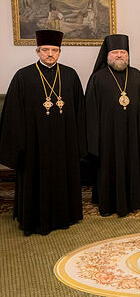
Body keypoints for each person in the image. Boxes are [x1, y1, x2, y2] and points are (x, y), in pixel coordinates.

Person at [0, 30, 85, 235]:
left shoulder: (70, 75)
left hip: (64, 142)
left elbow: (80, 112)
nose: (50, 54)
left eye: (54, 50)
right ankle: (34, 218)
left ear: (60, 52)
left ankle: (65, 216)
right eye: (45, 50)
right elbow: (13, 113)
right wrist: (19, 145)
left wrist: (79, 143)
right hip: (34, 143)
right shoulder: (23, 76)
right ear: (37, 51)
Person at [86, 34, 140, 216]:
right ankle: (109, 203)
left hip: (133, 134)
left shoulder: (136, 75)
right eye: (115, 52)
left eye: (123, 52)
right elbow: (90, 112)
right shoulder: (98, 78)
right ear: (107, 55)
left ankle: (135, 199)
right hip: (108, 137)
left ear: (127, 55)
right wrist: (94, 141)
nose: (119, 55)